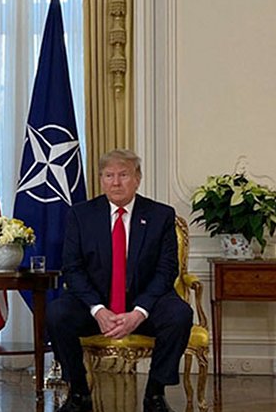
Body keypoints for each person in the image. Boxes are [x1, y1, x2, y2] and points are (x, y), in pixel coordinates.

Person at [47, 149, 193, 412]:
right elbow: (73, 269)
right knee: (57, 313)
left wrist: (138, 313)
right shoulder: (81, 215)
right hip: (96, 303)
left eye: (123, 175)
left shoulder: (161, 215)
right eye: (109, 175)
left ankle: (155, 394)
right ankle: (79, 393)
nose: (116, 182)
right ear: (101, 179)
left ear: (137, 179)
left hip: (145, 301)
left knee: (179, 314)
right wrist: (98, 309)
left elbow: (166, 271)